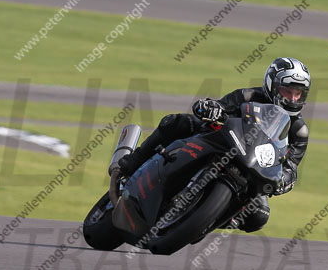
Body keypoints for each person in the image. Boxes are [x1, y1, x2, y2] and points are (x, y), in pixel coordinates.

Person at [118, 57, 310, 233]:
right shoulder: (249, 95)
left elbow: (291, 167)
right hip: (219, 141)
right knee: (177, 123)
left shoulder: (299, 132)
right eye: (287, 91)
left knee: (259, 215)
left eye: (298, 93)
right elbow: (221, 105)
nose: (292, 98)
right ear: (272, 86)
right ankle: (132, 163)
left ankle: (207, 219)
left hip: (252, 168)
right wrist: (211, 108)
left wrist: (283, 180)